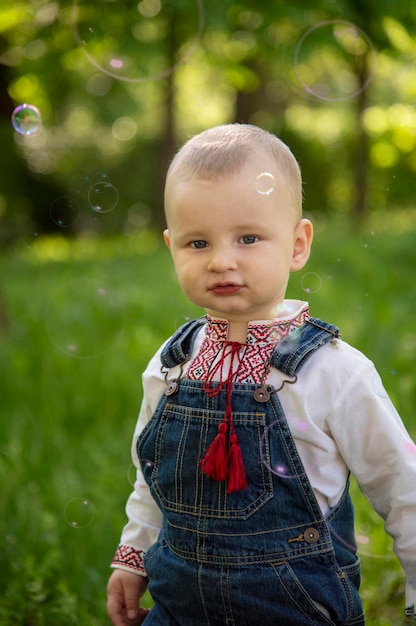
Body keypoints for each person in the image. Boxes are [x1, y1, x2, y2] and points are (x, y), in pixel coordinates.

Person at [106, 123, 416, 625]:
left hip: (294, 607)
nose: (222, 261)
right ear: (170, 248)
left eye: (248, 238)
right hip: (177, 606)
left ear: (298, 244)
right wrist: (134, 553)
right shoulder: (171, 361)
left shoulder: (332, 370)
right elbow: (152, 477)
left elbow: (402, 486)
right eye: (197, 243)